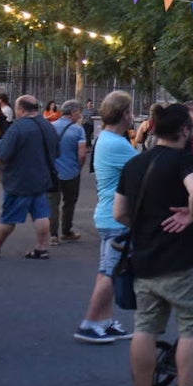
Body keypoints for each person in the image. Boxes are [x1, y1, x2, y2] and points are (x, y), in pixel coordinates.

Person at [116, 103, 193, 386]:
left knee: (144, 328)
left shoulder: (135, 165)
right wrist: (191, 212)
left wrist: (146, 222)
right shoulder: (184, 159)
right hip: (184, 260)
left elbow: (119, 213)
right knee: (192, 329)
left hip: (145, 260)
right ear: (184, 131)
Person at [73, 91, 137, 344]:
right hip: (116, 218)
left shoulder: (107, 138)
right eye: (131, 111)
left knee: (108, 271)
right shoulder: (117, 144)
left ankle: (105, 320)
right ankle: (89, 322)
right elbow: (145, 169)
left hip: (109, 215)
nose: (133, 117)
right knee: (111, 272)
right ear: (123, 114)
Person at [0, 96, 59, 259]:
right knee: (41, 214)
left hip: (19, 179)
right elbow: (56, 152)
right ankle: (41, 248)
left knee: (9, 217)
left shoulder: (18, 128)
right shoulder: (48, 126)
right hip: (42, 178)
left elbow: (2, 153)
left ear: (21, 109)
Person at [48, 100, 89, 244]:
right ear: (73, 113)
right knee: (69, 202)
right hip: (71, 171)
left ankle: (53, 235)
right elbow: (82, 154)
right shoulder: (78, 130)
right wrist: (79, 167)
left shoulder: (51, 127)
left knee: (53, 203)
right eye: (79, 111)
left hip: (53, 172)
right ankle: (66, 230)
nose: (80, 114)